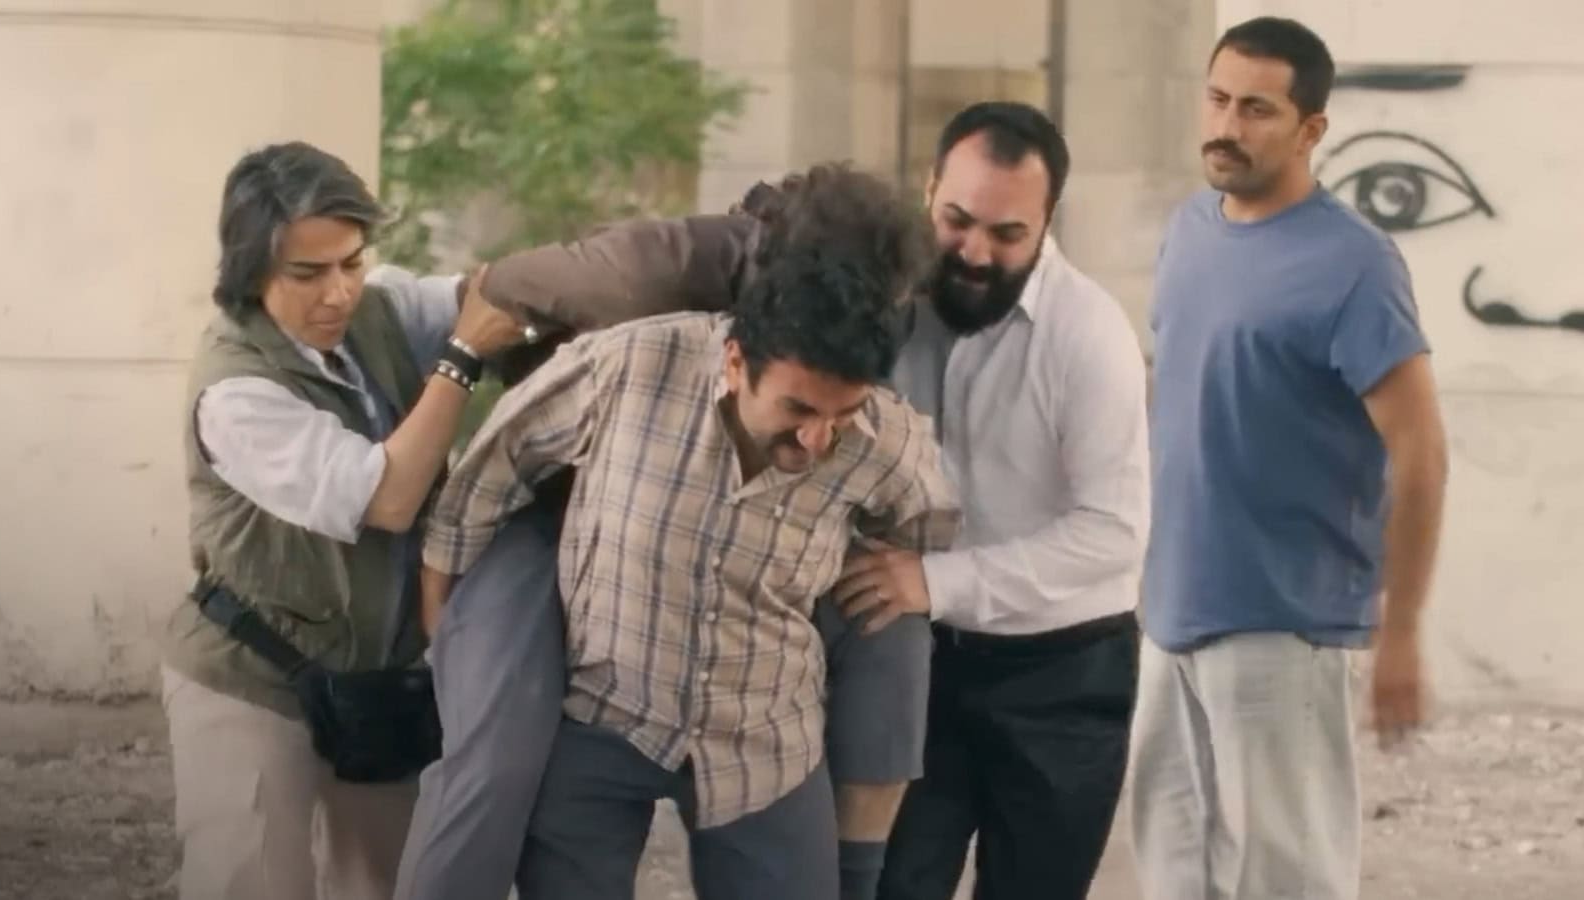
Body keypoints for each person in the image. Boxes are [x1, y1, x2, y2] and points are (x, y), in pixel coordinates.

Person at [396, 165, 951, 900]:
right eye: (797, 410)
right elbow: (490, 473)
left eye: (841, 418)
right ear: (735, 363)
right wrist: (443, 621)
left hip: (761, 740)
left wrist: (883, 575)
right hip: (604, 711)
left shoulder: (888, 439)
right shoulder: (629, 352)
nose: (818, 439)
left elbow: (923, 525)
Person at [157, 141, 535, 900]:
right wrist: (461, 358)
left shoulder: (380, 306)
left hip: (374, 678)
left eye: (352, 262)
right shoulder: (236, 394)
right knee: (252, 884)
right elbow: (388, 498)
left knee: (391, 885)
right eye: (308, 273)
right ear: (251, 270)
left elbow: (488, 298)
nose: (338, 293)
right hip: (253, 676)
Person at [1129, 17, 1449, 900]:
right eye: (1218, 99)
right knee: (1173, 882)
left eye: (1257, 110)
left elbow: (1421, 453)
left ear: (1312, 130)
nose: (1226, 126)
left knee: (1286, 885)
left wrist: (1402, 631)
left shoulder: (1354, 264)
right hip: (1169, 620)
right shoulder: (1189, 229)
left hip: (1283, 629)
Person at [853, 103, 1150, 900]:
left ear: (1049, 220)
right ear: (929, 191)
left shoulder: (1092, 335)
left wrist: (933, 581)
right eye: (957, 221)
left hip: (1063, 676)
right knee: (888, 887)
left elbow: (1114, 533)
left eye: (1007, 234)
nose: (975, 253)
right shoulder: (885, 307)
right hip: (918, 663)